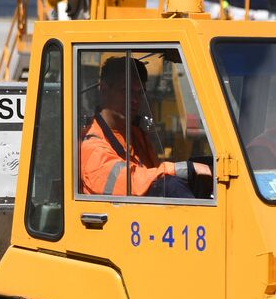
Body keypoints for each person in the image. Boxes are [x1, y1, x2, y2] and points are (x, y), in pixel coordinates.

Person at [80, 56, 212, 198]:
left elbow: (153, 175)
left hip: (142, 215)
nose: (135, 99)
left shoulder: (136, 134)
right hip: (121, 217)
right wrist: (188, 169)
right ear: (104, 89)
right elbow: (131, 182)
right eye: (126, 90)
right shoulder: (92, 145)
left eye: (139, 92)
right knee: (171, 187)